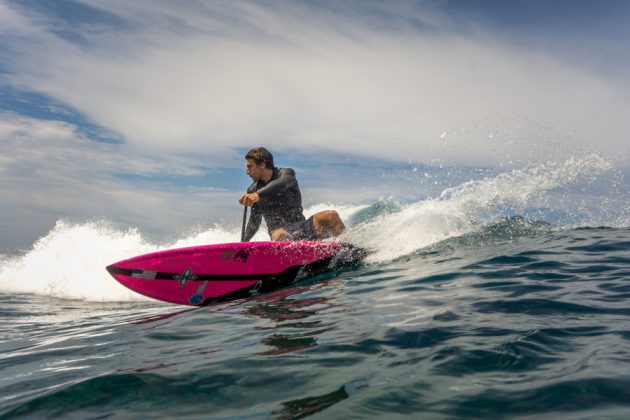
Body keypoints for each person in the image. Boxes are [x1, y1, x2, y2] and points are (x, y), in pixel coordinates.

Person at [239, 147, 346, 242]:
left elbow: (283, 183)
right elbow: (254, 221)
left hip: (303, 227)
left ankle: (347, 250)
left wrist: (258, 195)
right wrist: (243, 243)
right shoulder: (252, 190)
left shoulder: (286, 174)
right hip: (277, 233)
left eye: (249, 166)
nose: (247, 171)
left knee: (331, 215)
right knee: (280, 234)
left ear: (262, 164)